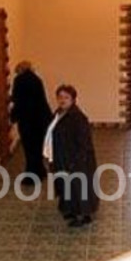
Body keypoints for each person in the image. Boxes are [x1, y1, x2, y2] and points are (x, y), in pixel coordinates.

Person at [43, 85, 99, 227]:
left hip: (76, 159)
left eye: (66, 97)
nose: (62, 100)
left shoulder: (78, 118)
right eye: (60, 97)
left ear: (73, 99)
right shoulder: (59, 113)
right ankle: (70, 209)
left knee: (78, 187)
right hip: (62, 157)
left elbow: (84, 143)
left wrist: (76, 162)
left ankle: (84, 215)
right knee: (65, 184)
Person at [10, 61, 53, 183]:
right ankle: (40, 170)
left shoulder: (19, 80)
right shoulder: (37, 79)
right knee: (38, 147)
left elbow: (18, 100)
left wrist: (13, 116)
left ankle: (32, 176)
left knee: (29, 149)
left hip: (28, 120)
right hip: (41, 118)